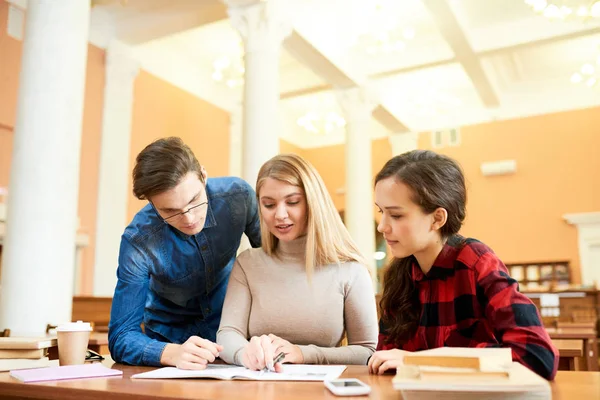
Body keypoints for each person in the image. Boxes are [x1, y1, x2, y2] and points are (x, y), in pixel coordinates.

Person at [367, 150, 558, 380]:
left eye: (396, 215)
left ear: (438, 218)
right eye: (381, 212)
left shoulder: (476, 262)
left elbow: (538, 355)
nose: (382, 227)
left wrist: (420, 361)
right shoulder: (400, 274)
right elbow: (385, 360)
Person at [108, 137, 261, 369]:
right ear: (151, 203)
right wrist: (169, 353)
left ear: (203, 175)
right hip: (170, 345)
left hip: (235, 339)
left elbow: (275, 265)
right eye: (170, 211)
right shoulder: (138, 240)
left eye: (194, 200)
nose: (189, 219)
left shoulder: (239, 198)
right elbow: (121, 337)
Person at [217, 154, 378, 371]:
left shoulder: (350, 270)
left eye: (292, 202)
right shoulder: (247, 263)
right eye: (269, 204)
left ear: (313, 203)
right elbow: (228, 333)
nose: (280, 215)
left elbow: (367, 350)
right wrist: (244, 354)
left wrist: (304, 354)